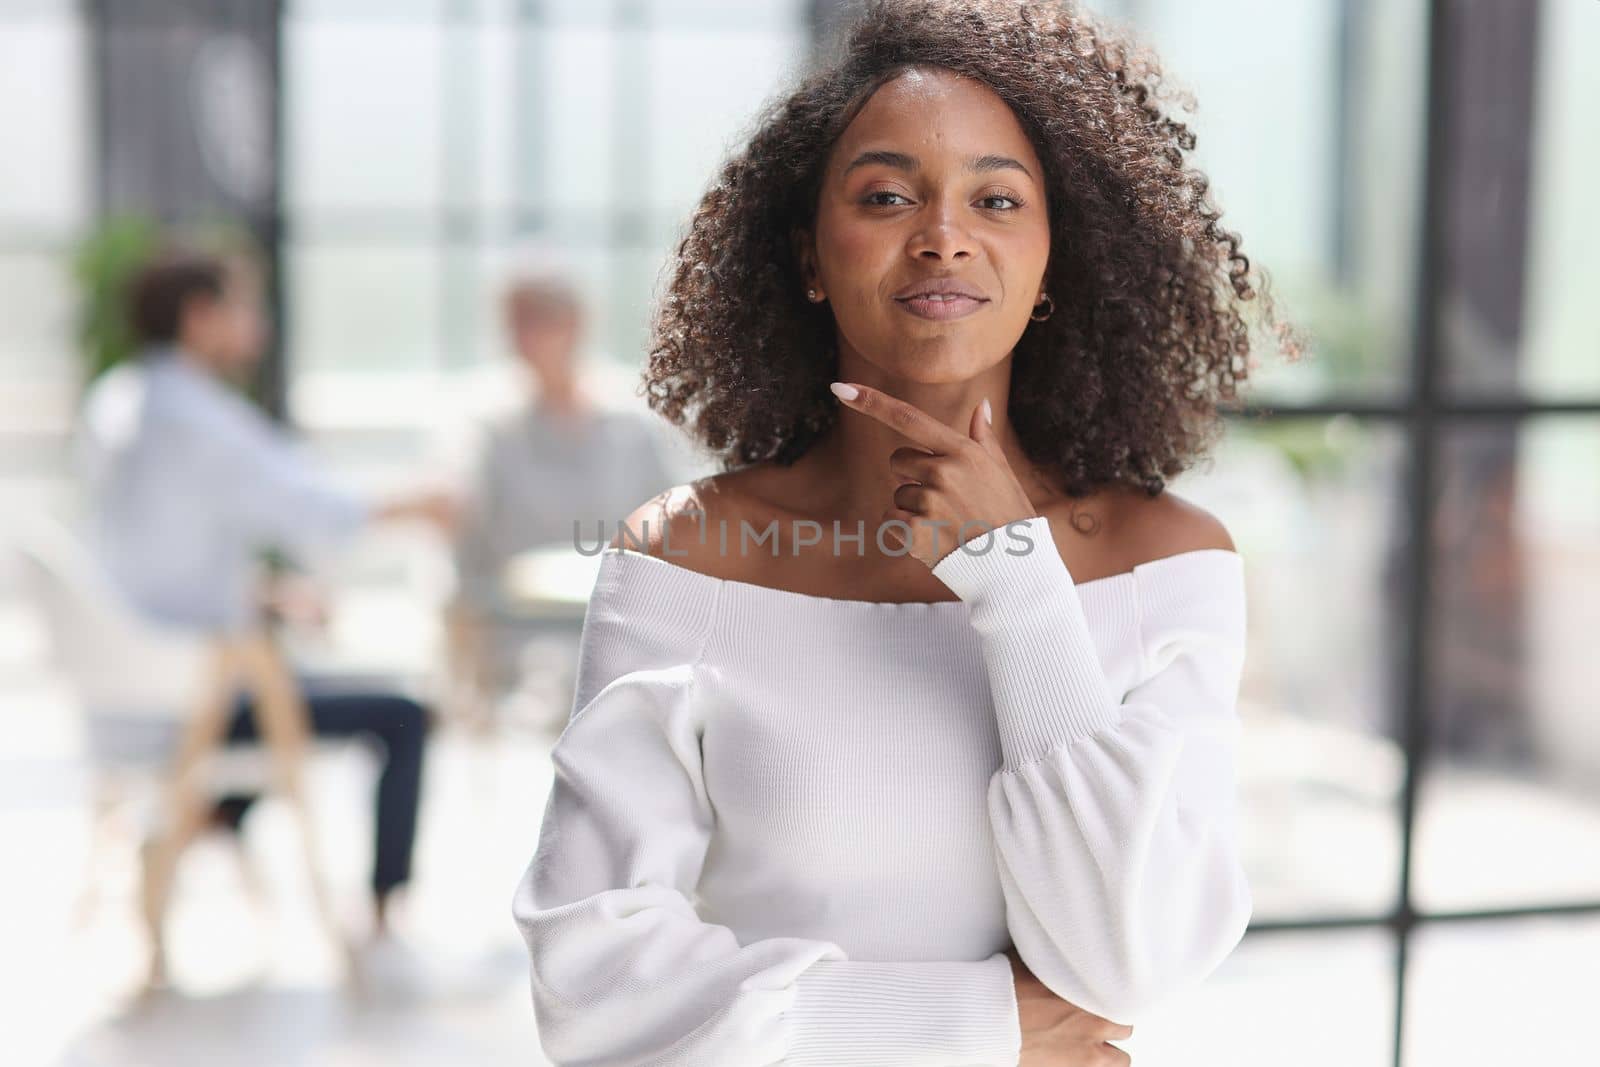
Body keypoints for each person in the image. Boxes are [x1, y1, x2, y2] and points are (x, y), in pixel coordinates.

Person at [511, 1, 1304, 1064]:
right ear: (805, 255)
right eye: (886, 196)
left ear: (1053, 257)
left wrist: (1014, 579)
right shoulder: (685, 560)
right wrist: (982, 1027)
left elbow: (1128, 961)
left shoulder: (1168, 563)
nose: (942, 234)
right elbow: (590, 980)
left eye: (996, 198)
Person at [76, 244, 457, 948]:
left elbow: (155, 549)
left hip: (134, 678)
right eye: (243, 307)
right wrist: (419, 505)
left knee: (285, 676)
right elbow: (310, 503)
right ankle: (383, 917)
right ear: (201, 316)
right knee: (405, 713)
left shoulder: (121, 399)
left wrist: (262, 590)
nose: (257, 325)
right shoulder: (193, 416)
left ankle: (206, 819)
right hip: (191, 697)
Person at [446, 259, 675, 729]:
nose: (528, 337)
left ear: (577, 322)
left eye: (541, 318)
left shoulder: (632, 420)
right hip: (516, 625)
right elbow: (460, 518)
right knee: (557, 685)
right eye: (517, 322)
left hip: (621, 619)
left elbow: (676, 520)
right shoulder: (485, 425)